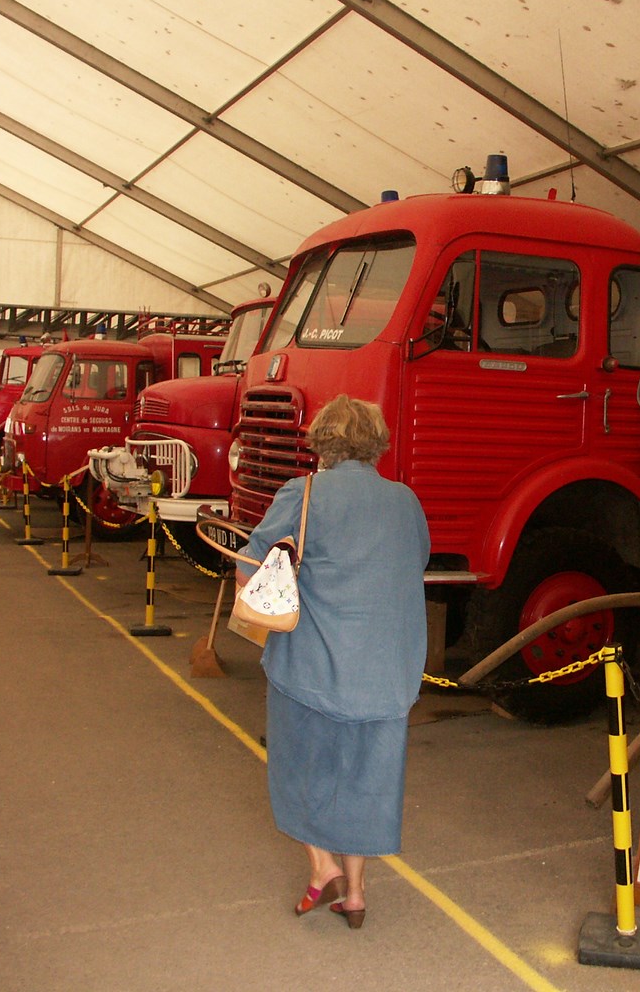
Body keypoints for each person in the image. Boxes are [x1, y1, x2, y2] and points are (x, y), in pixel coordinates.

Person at [236, 395, 430, 929]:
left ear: (322, 442)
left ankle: (323, 868)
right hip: (386, 671)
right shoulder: (404, 500)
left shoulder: (303, 494)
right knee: (365, 778)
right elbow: (415, 561)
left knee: (301, 769)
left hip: (312, 669)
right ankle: (357, 892)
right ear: (375, 444)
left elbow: (252, 565)